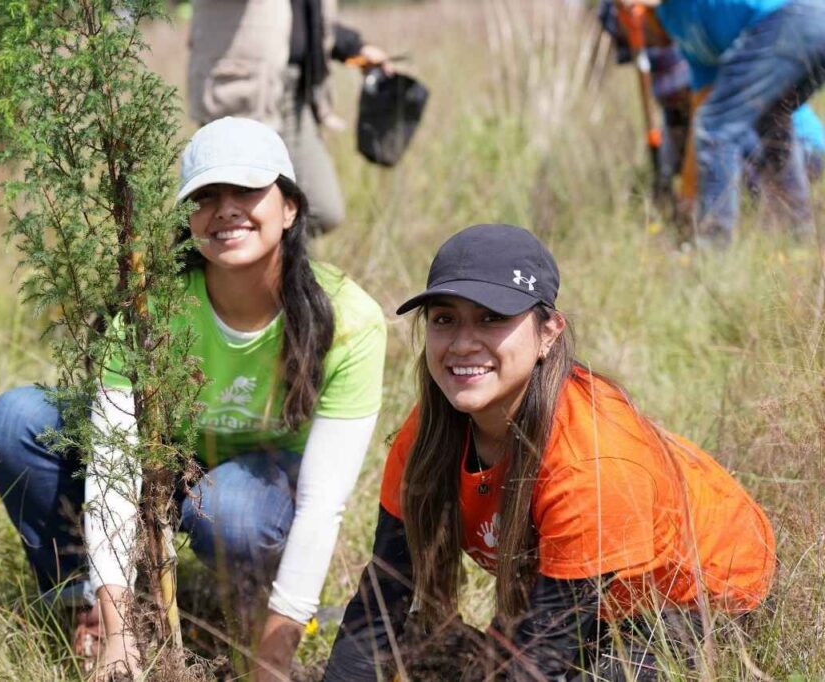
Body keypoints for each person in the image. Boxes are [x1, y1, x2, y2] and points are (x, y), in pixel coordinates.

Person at [0, 117, 387, 680]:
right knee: (17, 419)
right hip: (160, 464)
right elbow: (116, 465)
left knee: (231, 507)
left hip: (256, 489)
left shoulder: (350, 320)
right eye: (205, 196)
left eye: (247, 190)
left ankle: (246, 613)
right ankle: (90, 609)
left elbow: (322, 504)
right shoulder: (150, 308)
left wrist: (275, 658)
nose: (225, 209)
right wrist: (122, 631)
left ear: (290, 207)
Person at [323, 224, 776, 680]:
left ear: (548, 333)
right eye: (445, 319)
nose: (462, 343)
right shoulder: (427, 434)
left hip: (699, 606)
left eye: (491, 318)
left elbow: (538, 665)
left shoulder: (592, 461)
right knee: (414, 642)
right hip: (570, 596)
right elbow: (380, 603)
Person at [626, 0, 825, 246]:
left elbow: (713, 128)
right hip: (803, 24)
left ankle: (714, 247)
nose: (642, 36)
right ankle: (799, 236)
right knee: (769, 119)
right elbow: (701, 118)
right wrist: (688, 196)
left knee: (719, 127)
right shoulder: (684, 35)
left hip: (794, 15)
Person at [187, 0, 391, 235]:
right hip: (239, 93)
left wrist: (352, 46)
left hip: (295, 93)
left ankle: (282, 269)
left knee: (321, 209)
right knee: (234, 217)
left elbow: (304, 13)